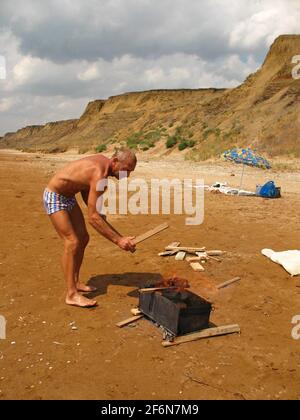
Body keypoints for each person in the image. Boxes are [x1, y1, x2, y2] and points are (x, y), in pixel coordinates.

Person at [43, 148, 137, 308]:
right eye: (126, 170)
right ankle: (71, 294)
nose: (126, 175)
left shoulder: (103, 167)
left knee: (83, 238)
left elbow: (86, 190)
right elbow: (93, 218)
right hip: (55, 196)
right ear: (114, 162)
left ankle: (76, 282)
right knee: (71, 242)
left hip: (68, 198)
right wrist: (119, 240)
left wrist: (100, 215)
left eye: (130, 172)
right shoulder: (99, 174)